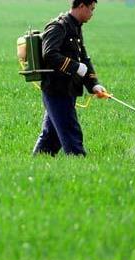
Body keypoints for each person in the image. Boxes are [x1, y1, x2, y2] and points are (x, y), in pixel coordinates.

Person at [32, 0, 108, 157]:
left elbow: (84, 59)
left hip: (69, 90)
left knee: (50, 138)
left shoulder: (75, 28)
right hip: (56, 91)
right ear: (81, 6)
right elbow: (49, 54)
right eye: (91, 9)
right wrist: (75, 67)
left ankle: (36, 165)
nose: (92, 14)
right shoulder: (58, 27)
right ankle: (80, 165)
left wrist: (93, 85)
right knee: (71, 133)